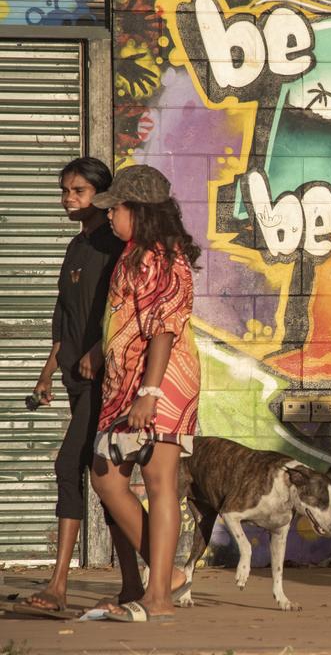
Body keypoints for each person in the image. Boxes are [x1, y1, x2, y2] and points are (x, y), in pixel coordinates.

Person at [18, 157, 143, 618]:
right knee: (105, 476)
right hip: (74, 376)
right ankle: (132, 585)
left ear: (101, 195)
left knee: (70, 463)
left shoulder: (116, 247)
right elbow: (64, 316)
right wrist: (48, 370)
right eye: (66, 191)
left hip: (104, 379)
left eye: (79, 191)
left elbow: (118, 312)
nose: (69, 199)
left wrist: (96, 350)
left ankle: (58, 585)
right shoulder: (76, 246)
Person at [89, 164, 202, 623]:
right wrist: (100, 351)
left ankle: (159, 597)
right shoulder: (134, 253)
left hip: (161, 383)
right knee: (107, 478)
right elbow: (126, 318)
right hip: (126, 386)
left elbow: (164, 330)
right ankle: (165, 575)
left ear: (137, 209)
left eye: (115, 207)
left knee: (160, 484)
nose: (110, 215)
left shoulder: (164, 256)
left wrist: (150, 392)